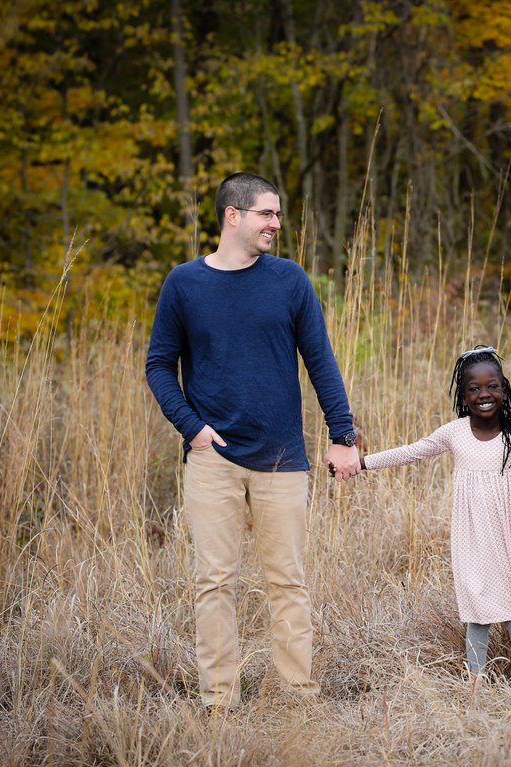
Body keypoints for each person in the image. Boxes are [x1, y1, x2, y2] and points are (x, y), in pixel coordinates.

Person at [145, 171, 361, 708]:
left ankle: (297, 699)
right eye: (267, 213)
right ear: (232, 215)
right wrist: (191, 428)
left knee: (287, 581)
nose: (276, 224)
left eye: (279, 214)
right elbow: (157, 366)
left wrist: (342, 434)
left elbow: (321, 362)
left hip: (281, 457)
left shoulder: (289, 281)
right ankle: (219, 702)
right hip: (211, 458)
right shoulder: (184, 284)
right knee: (213, 583)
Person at [333, 346, 511, 690]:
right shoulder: (454, 433)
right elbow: (411, 451)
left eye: (492, 386)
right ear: (463, 395)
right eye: (474, 388)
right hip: (474, 534)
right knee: (477, 605)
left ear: (504, 389)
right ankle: (475, 680)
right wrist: (362, 463)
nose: (484, 394)